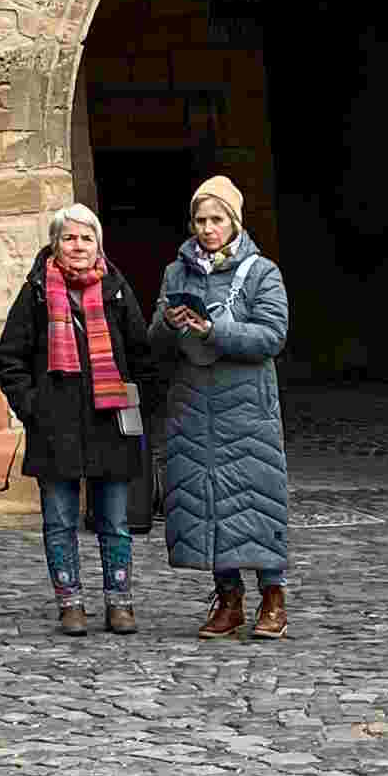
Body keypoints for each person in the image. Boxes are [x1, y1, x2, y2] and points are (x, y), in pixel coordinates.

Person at [0, 201, 164, 637]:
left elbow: (142, 355)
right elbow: (10, 359)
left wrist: (137, 407)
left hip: (110, 423)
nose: (78, 245)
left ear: (98, 244)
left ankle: (119, 602)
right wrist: (35, 408)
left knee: (116, 523)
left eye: (87, 238)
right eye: (69, 237)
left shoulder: (116, 290)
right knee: (59, 522)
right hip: (56, 427)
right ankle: (70, 603)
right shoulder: (35, 293)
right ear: (55, 243)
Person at [154, 173, 294, 640]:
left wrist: (215, 331)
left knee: (258, 499)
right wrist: (170, 324)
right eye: (200, 220)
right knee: (208, 502)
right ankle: (229, 599)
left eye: (217, 219)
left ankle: (273, 596)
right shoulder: (176, 273)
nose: (207, 228)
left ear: (234, 221)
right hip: (194, 406)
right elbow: (154, 342)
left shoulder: (262, 272)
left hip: (247, 408)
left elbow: (272, 336)